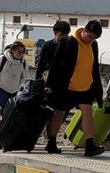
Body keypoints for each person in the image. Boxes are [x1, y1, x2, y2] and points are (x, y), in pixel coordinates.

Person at [44, 20, 105, 157]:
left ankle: (90, 145)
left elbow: (94, 67)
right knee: (59, 113)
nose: (91, 40)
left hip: (85, 87)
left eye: (94, 38)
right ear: (84, 31)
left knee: (88, 113)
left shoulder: (93, 45)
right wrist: (50, 85)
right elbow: (55, 64)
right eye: (90, 36)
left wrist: (97, 88)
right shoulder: (68, 42)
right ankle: (51, 142)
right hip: (67, 87)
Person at [0, 41, 28, 114]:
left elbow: (24, 77)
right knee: (7, 109)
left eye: (23, 52)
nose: (21, 54)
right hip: (1, 88)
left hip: (14, 91)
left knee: (13, 111)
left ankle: (4, 120)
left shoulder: (24, 62)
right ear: (12, 50)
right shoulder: (2, 59)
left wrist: (20, 87)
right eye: (19, 52)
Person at [35, 21, 71, 86]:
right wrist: (37, 80)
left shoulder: (69, 46)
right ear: (55, 33)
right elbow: (41, 64)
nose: (64, 38)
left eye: (66, 36)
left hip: (64, 80)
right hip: (48, 78)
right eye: (61, 35)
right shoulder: (47, 45)